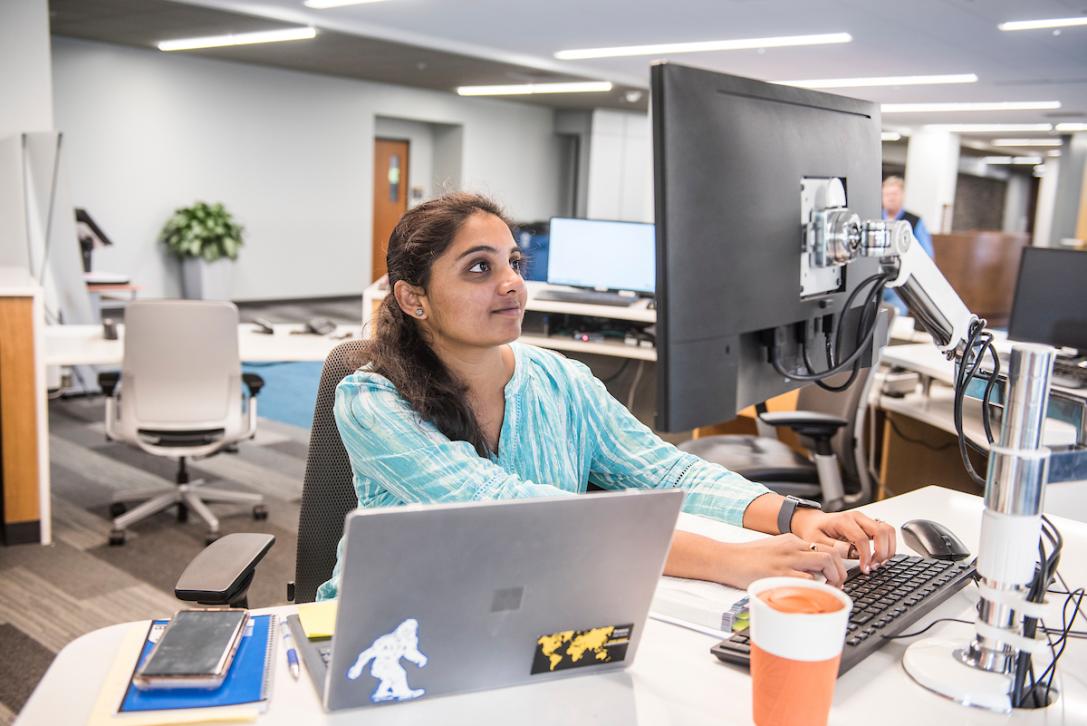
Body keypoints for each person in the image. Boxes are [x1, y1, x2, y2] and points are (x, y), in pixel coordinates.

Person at [316, 192, 896, 601]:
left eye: (513, 263)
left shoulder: (560, 380)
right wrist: (728, 559)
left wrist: (797, 517)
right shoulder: (371, 400)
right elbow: (510, 510)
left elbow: (663, 469)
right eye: (478, 269)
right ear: (414, 299)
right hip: (394, 623)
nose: (512, 282)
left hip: (532, 608)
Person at [881, 175, 934, 313]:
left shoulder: (915, 221)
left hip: (900, 283)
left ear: (902, 195)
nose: (890, 198)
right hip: (876, 280)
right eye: (887, 194)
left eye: (894, 194)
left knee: (895, 317)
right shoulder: (875, 218)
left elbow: (927, 256)